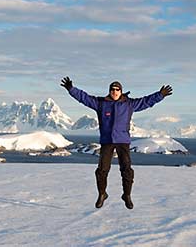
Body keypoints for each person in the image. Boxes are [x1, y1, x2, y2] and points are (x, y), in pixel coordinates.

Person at [61, 77, 172, 209]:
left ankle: (127, 195)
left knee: (127, 170)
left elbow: (146, 101)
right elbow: (84, 98)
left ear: (121, 91)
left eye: (117, 89)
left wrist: (160, 95)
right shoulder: (101, 103)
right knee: (102, 170)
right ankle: (102, 194)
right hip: (107, 141)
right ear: (109, 91)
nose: (115, 92)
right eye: (112, 89)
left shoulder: (129, 104)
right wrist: (71, 89)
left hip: (122, 141)